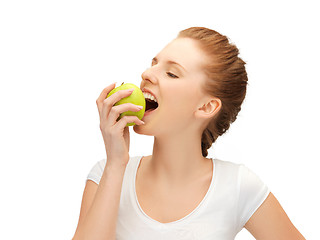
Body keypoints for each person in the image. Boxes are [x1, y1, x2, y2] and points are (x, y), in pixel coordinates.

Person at [72, 27, 305, 240]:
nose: (147, 74)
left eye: (171, 74)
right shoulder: (106, 174)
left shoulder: (238, 186)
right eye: (153, 63)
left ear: (206, 107)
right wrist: (115, 164)